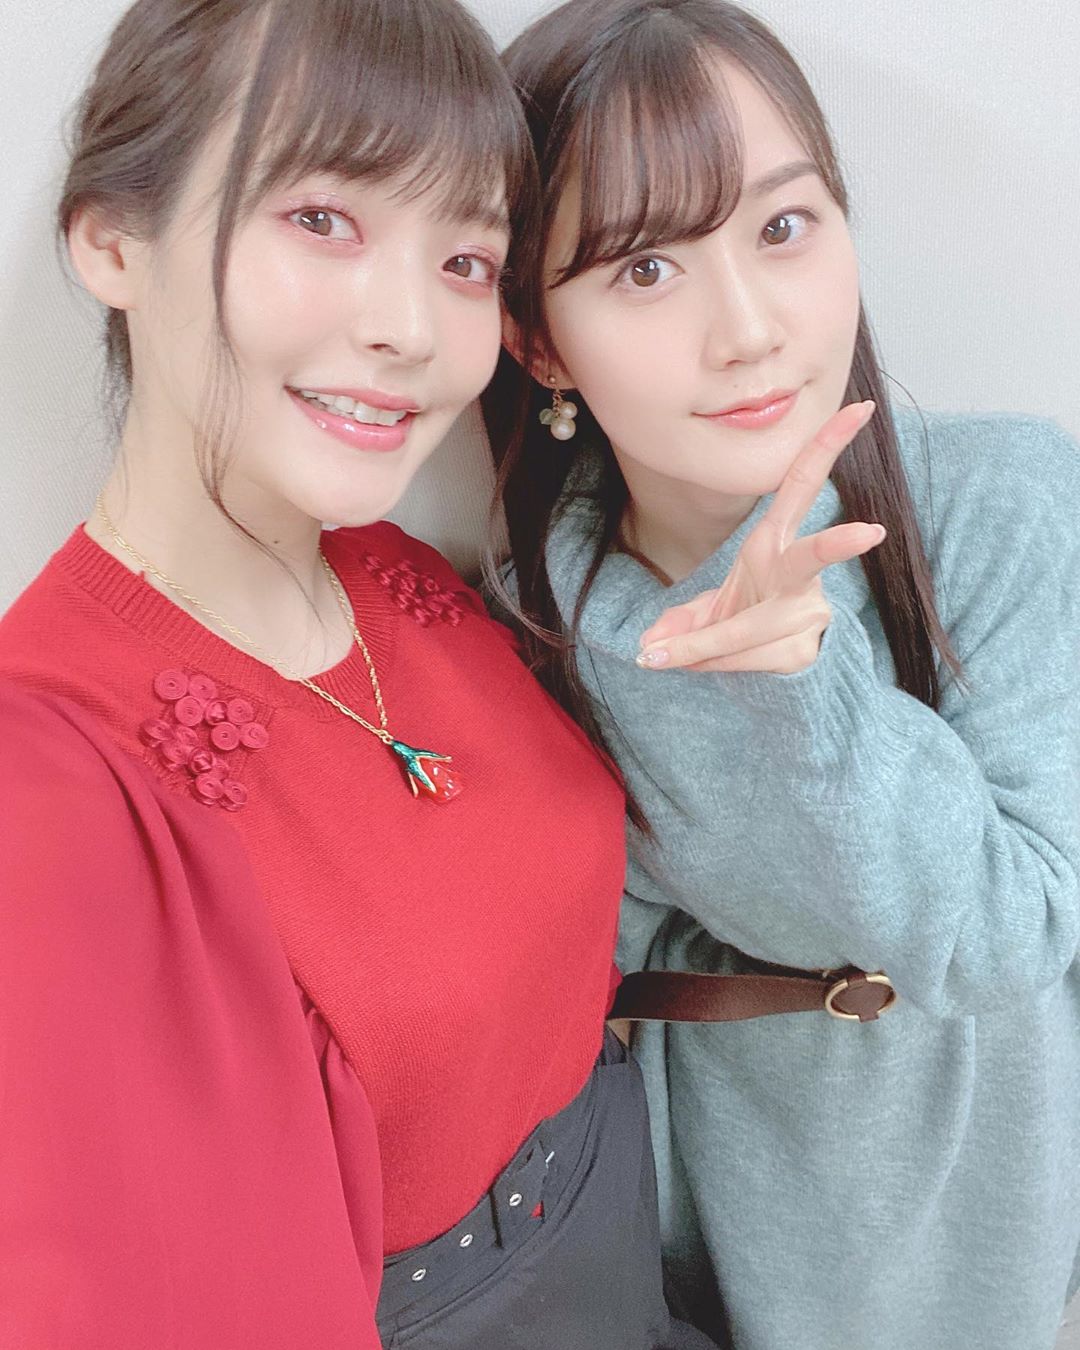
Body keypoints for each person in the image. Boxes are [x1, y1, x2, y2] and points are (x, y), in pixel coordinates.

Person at [0, 2, 720, 1347]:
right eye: (322, 218)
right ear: (113, 240)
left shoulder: (403, 573)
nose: (410, 327)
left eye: (465, 259)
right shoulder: (49, 771)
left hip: (618, 1237)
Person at [488, 1, 1080, 1346]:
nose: (749, 328)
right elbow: (592, 969)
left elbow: (1010, 939)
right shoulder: (546, 604)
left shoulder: (1003, 502)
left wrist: (804, 686)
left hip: (992, 1215)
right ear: (537, 338)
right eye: (646, 267)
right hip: (725, 1230)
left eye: (783, 226)